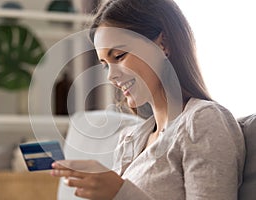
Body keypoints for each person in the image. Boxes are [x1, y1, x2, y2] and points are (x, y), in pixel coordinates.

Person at [51, 0, 246, 199]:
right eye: (105, 65)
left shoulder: (202, 121)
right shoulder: (132, 139)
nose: (110, 76)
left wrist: (120, 192)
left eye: (118, 56)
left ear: (163, 44)